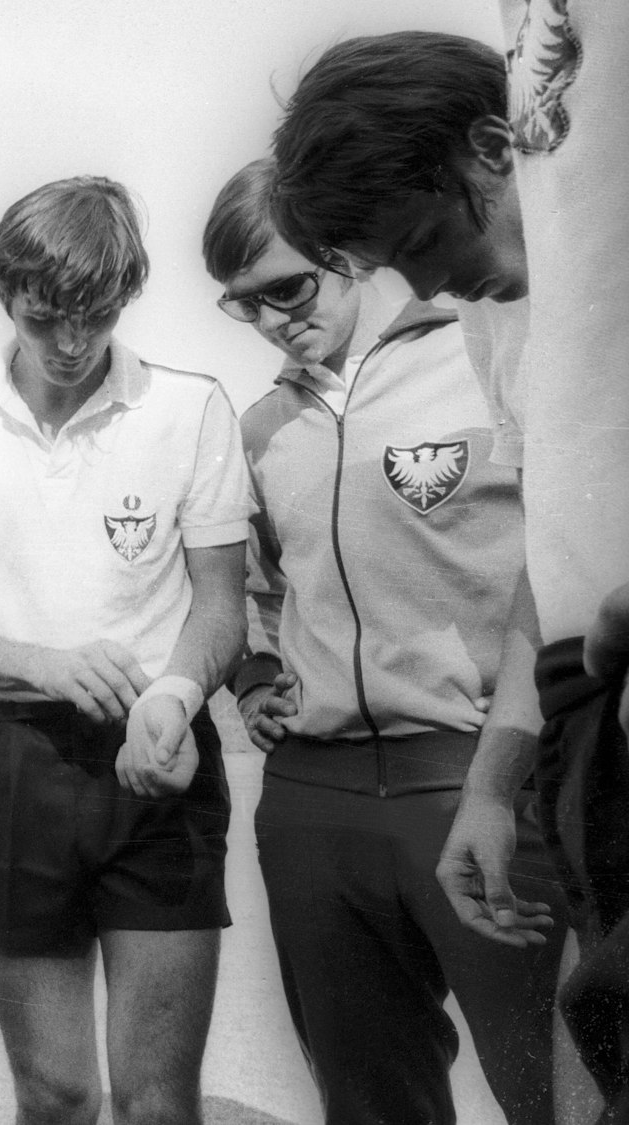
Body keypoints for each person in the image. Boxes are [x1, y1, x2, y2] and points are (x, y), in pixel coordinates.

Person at [272, 23, 629, 1110]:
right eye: (392, 265)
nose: (425, 281)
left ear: (490, 145)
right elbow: (546, 561)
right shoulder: (495, 323)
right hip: (582, 716)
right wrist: (491, 784)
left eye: (424, 238)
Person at [206, 157, 563, 1125]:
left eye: (287, 288)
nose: (272, 319)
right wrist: (249, 673)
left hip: (475, 779)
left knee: (554, 1091)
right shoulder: (260, 427)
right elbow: (237, 582)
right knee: (366, 1107)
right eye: (242, 306)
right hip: (313, 805)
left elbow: (559, 550)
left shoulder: (479, 352)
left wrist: (503, 764)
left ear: (344, 253)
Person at [0, 176, 248, 1125]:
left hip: (157, 755)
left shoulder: (188, 409)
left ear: (126, 297)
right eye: (45, 317)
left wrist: (171, 694)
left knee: (157, 1101)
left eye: (94, 315)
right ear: (6, 295)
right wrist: (43, 662)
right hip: (16, 763)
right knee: (54, 1093)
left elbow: (221, 609)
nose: (72, 342)